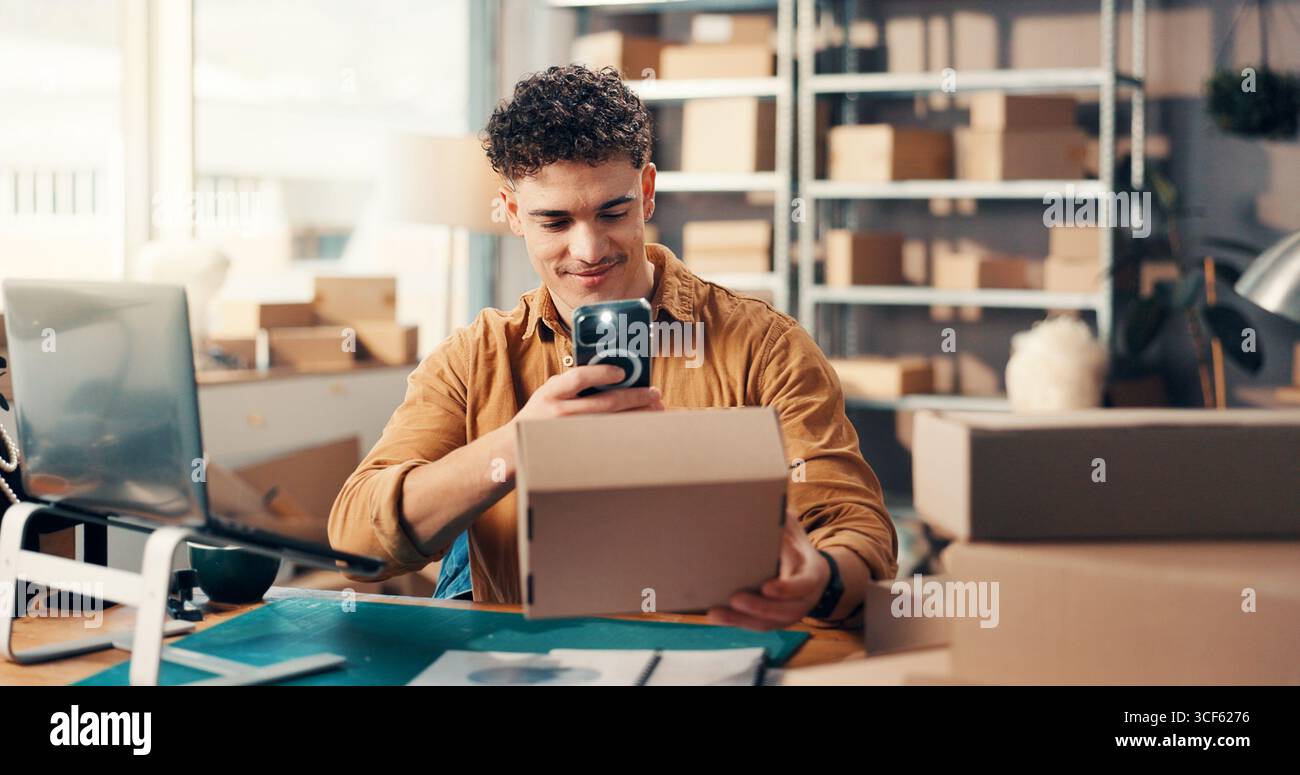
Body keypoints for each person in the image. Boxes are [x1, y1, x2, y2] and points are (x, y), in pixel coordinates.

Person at [329, 65, 897, 630]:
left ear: (646, 192)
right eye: (554, 221)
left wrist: (819, 578)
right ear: (509, 211)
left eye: (613, 211)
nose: (589, 248)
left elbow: (859, 530)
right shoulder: (474, 360)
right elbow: (356, 543)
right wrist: (514, 449)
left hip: (710, 657)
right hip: (526, 666)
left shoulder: (764, 347)